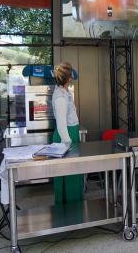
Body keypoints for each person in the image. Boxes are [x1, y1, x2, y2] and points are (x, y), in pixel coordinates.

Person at [52, 62, 83, 204]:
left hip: (70, 134)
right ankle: (70, 211)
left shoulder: (64, 92)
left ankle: (73, 209)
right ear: (69, 78)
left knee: (72, 173)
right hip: (66, 137)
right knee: (69, 174)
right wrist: (68, 144)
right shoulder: (60, 97)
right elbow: (62, 126)